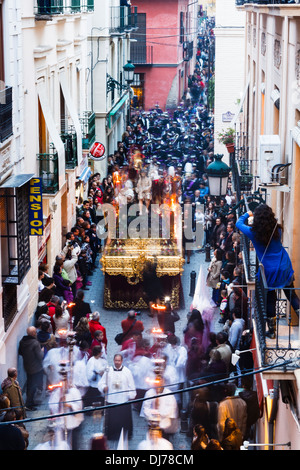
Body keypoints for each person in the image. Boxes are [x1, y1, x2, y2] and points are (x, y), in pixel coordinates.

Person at [236, 205, 300, 336]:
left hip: (269, 270)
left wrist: (248, 214)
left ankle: (272, 331)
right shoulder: (278, 230)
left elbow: (238, 223)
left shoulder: (253, 232)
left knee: (270, 299)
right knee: (291, 294)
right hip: (284, 264)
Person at [98, 354, 136, 440]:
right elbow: (101, 383)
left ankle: (124, 435)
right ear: (113, 361)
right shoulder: (108, 371)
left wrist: (130, 395)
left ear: (122, 361)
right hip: (112, 399)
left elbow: (132, 386)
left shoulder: (127, 372)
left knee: (123, 420)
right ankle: (112, 435)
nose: (117, 362)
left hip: (123, 400)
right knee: (112, 421)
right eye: (116, 360)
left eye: (119, 361)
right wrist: (104, 387)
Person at [18, 326, 44, 411]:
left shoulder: (22, 341)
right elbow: (40, 356)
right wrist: (42, 351)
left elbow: (20, 352)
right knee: (33, 386)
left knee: (30, 384)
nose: (36, 333)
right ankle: (29, 404)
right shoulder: (35, 343)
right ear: (33, 334)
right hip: (36, 368)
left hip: (27, 366)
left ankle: (30, 402)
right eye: (35, 332)